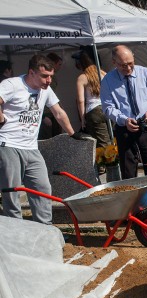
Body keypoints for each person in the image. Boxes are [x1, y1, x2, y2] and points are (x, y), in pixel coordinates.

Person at [0, 54, 77, 224]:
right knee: (12, 192)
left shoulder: (46, 90)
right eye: (44, 76)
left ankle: (45, 229)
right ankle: (16, 230)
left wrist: (73, 133)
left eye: (51, 76)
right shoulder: (12, 84)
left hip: (32, 148)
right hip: (9, 145)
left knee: (42, 188)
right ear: (31, 73)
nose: (49, 80)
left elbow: (58, 112)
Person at [100, 45, 147, 179]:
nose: (128, 68)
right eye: (123, 65)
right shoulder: (107, 81)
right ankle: (133, 199)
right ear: (114, 63)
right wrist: (124, 120)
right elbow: (107, 107)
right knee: (128, 172)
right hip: (125, 130)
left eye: (131, 64)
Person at [74, 50, 110, 155]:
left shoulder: (82, 77)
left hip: (93, 111)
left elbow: (80, 100)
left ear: (80, 64)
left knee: (101, 144)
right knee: (110, 140)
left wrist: (82, 118)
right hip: (107, 108)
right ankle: (113, 166)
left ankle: (105, 168)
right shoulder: (103, 73)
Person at [39, 52, 64, 139]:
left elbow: (52, 96)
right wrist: (43, 116)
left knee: (56, 137)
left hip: (52, 112)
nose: (60, 67)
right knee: (48, 138)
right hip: (46, 113)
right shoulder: (42, 79)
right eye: (59, 64)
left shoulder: (53, 78)